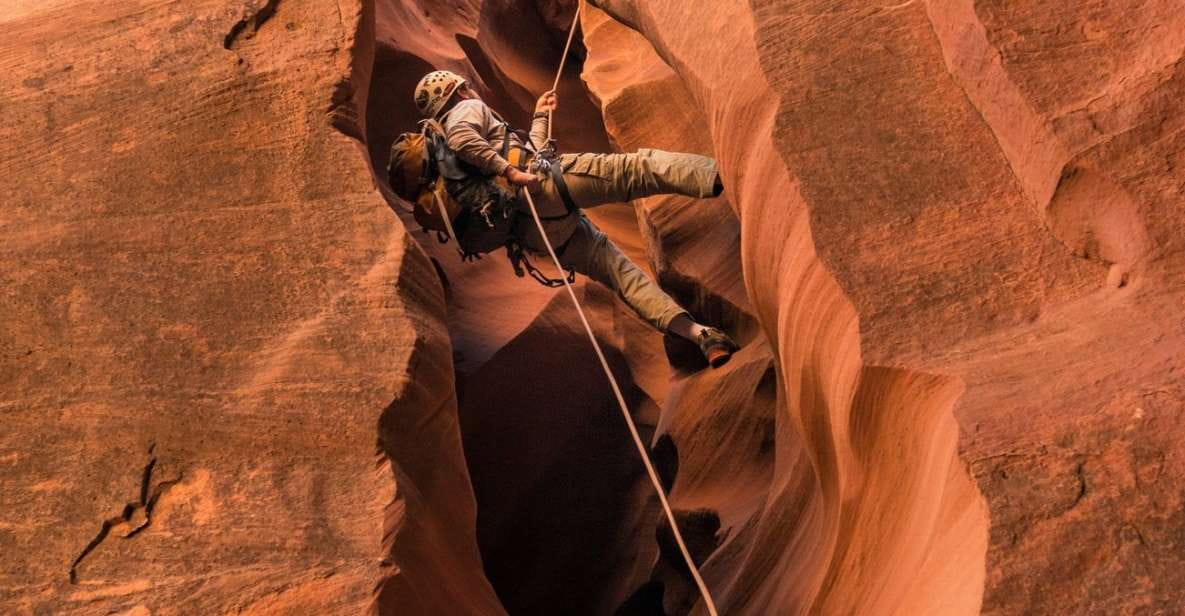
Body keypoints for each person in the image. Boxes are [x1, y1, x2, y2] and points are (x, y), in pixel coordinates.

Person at [413, 70, 739, 367]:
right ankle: (736, 175)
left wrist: (539, 116)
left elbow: (527, 151)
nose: (472, 89)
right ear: (457, 91)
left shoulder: (452, 167)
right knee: (640, 169)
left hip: (537, 233)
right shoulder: (464, 111)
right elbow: (468, 141)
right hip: (547, 190)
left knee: (621, 276)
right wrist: (510, 172)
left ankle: (701, 336)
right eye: (466, 85)